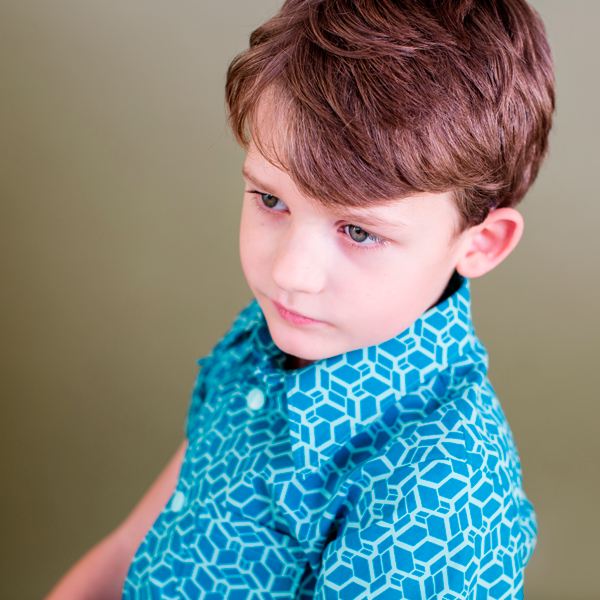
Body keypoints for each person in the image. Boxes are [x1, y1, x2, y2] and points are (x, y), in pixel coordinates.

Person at [46, 0, 554, 598]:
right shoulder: (262, 343)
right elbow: (131, 547)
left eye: (359, 231)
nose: (289, 272)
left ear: (481, 243)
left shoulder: (443, 496)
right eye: (270, 200)